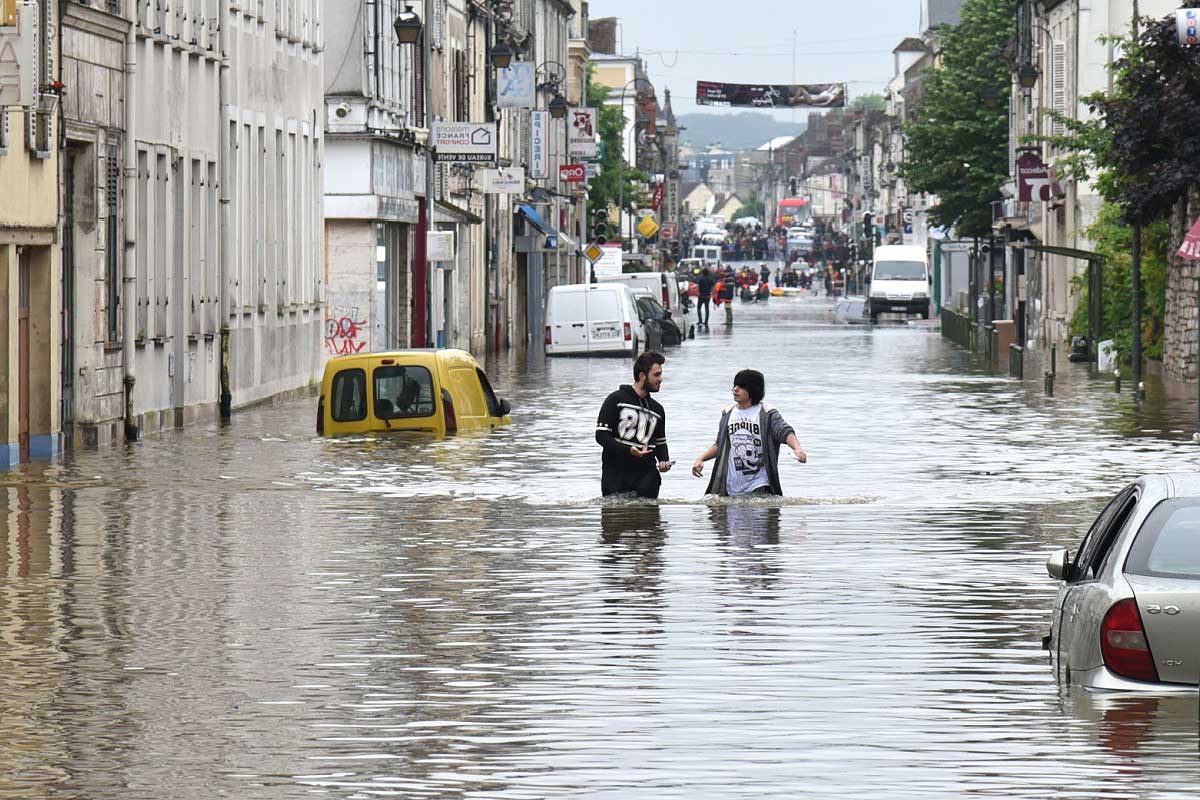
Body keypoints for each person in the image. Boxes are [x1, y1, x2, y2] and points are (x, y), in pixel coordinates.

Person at [691, 369, 806, 496]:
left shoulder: (767, 413)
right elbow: (720, 445)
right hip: (732, 484)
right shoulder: (728, 413)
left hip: (760, 482)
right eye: (734, 386)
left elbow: (785, 432)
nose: (735, 389)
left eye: (741, 386)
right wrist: (701, 458)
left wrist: (798, 449)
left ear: (752, 389)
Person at [595, 352, 673, 498]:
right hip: (615, 475)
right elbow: (601, 436)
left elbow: (661, 443)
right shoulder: (615, 399)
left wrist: (664, 462)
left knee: (648, 518)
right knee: (617, 516)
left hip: (647, 477)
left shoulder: (658, 409)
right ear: (642, 375)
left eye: (660, 374)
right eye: (656, 375)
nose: (660, 379)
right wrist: (629, 450)